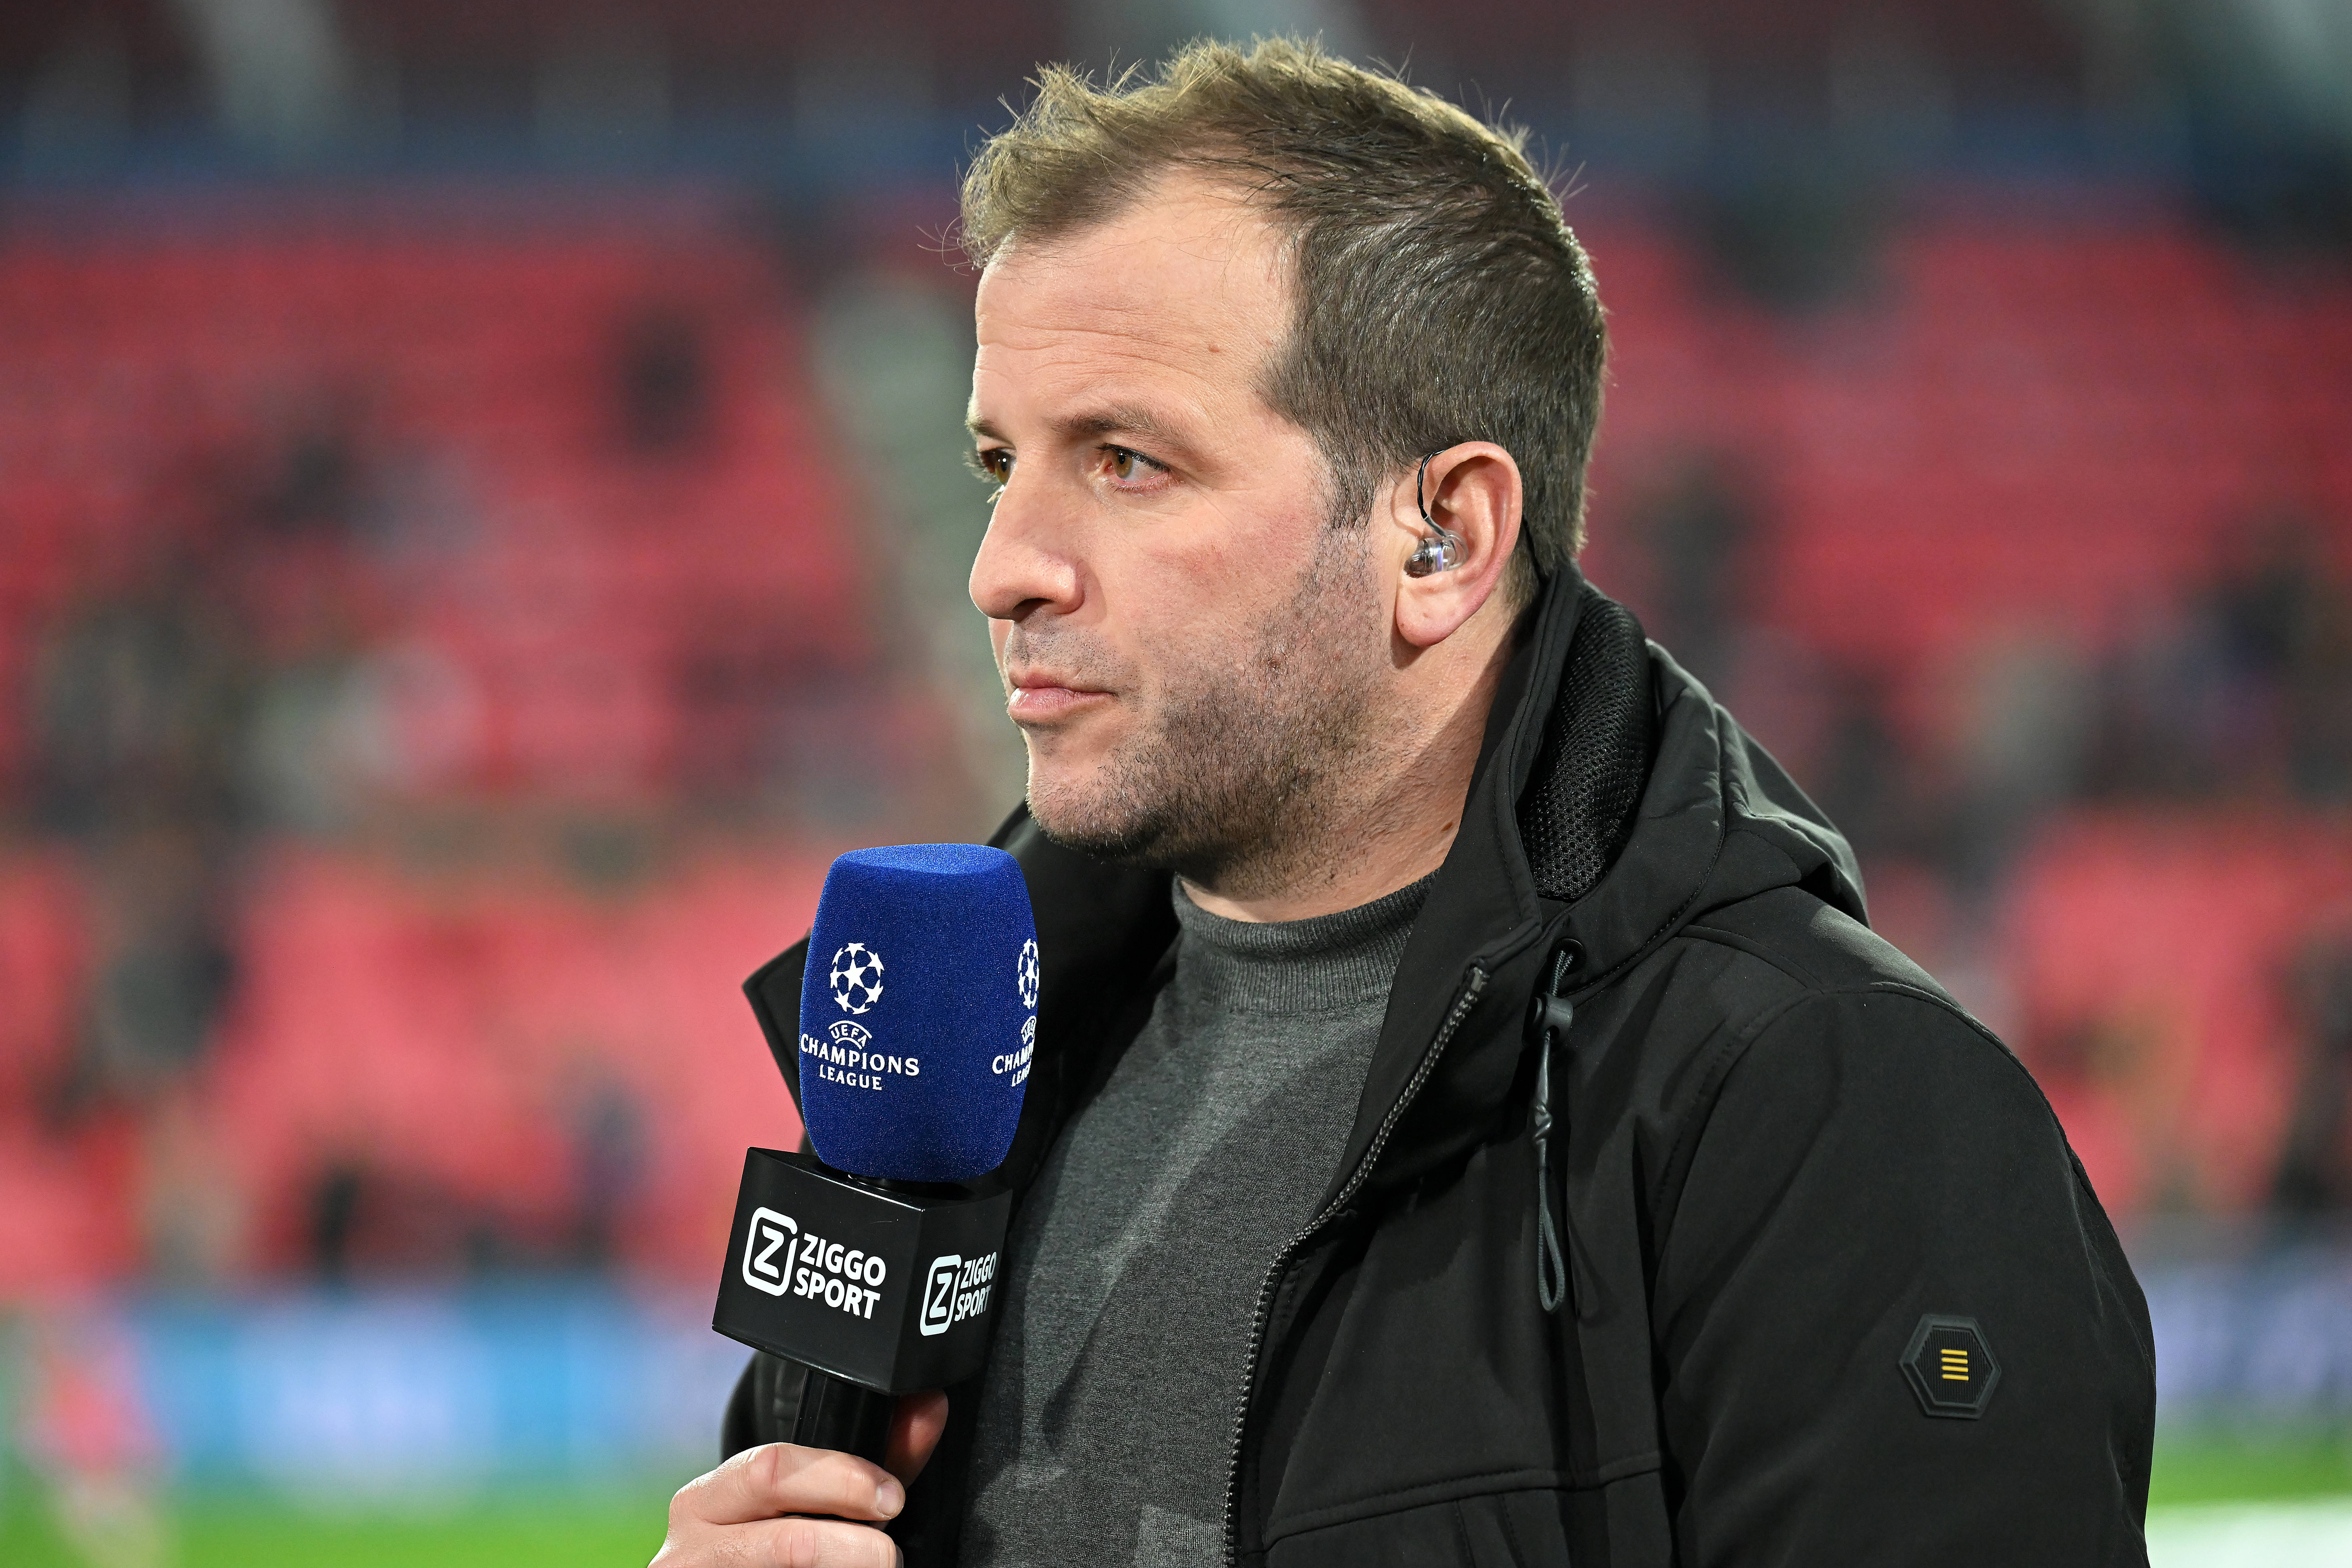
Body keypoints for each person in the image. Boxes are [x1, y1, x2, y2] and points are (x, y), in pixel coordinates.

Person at [653, 38, 2155, 1568]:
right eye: (997, 463)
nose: (1002, 567)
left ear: (1439, 535)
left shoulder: (1830, 1111)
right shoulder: (961, 1072)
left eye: (1124, 460)